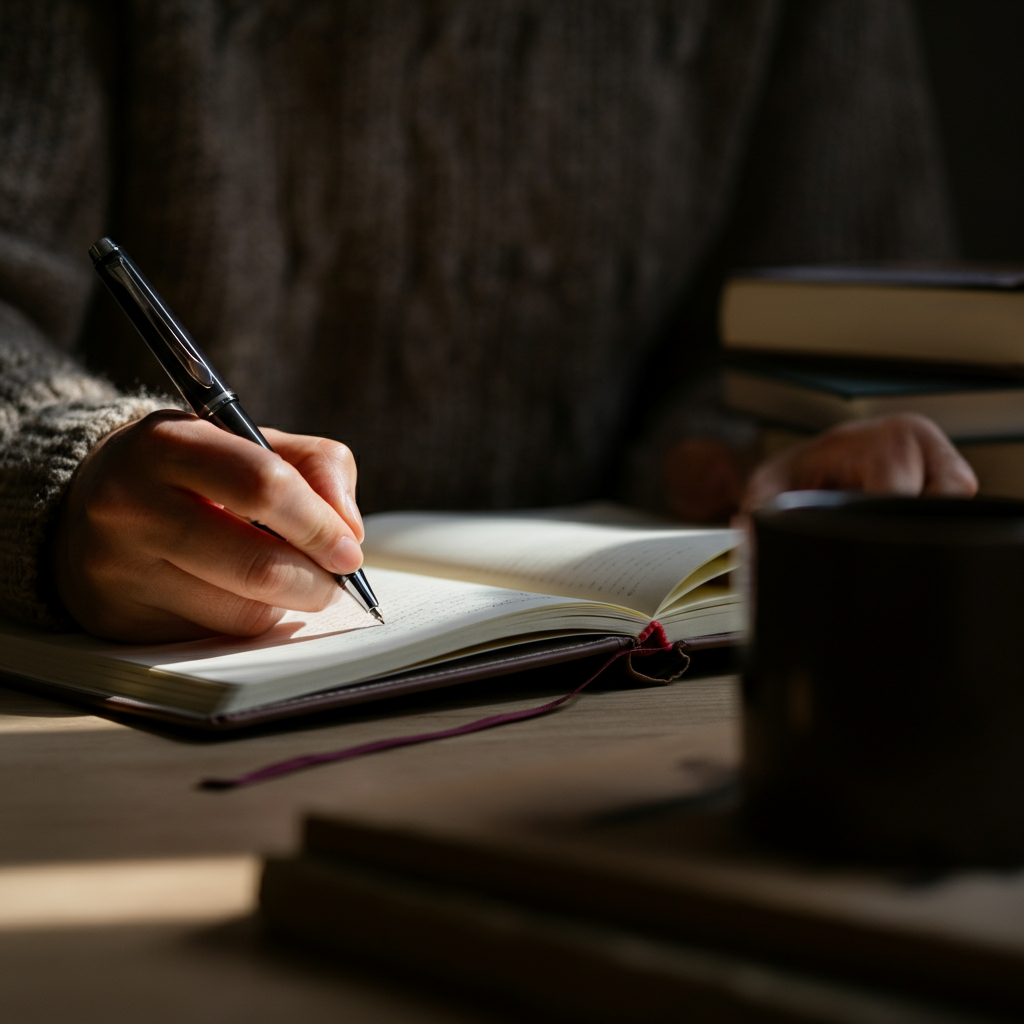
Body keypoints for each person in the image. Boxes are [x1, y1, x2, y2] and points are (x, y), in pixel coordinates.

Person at [0, 1, 976, 643]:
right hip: (127, 724)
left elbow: (832, 310)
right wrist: (64, 469)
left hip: (650, 686)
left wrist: (757, 448)